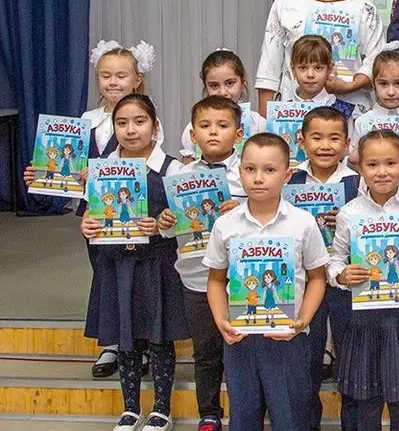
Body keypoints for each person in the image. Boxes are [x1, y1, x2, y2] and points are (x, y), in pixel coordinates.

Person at [22, 40, 160, 379]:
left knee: (136, 279)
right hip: (95, 213)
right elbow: (67, 166)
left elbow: (151, 166)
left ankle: (140, 342)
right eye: (106, 76)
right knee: (104, 274)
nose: (113, 83)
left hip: (130, 212)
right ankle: (112, 342)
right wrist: (42, 174)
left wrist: (104, 172)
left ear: (137, 79)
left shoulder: (145, 117)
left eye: (121, 76)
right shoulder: (87, 119)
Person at [204, 133, 329, 431]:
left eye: (269, 170)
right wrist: (222, 320)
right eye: (250, 169)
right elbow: (216, 279)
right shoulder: (225, 224)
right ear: (240, 172)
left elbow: (317, 277)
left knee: (291, 416)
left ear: (287, 175)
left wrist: (302, 321)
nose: (258, 178)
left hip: (289, 339)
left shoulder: (302, 222)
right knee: (244, 416)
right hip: (241, 340)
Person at [80, 94, 186, 431]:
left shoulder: (173, 168)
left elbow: (188, 224)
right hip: (117, 266)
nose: (130, 130)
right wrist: (87, 228)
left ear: (155, 127)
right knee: (125, 337)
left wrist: (165, 226)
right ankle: (129, 409)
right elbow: (91, 220)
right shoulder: (101, 170)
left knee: (158, 338)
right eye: (122, 123)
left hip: (157, 264)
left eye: (139, 122)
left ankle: (161, 410)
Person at [328, 130, 399, 431]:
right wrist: (341, 274)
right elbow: (335, 258)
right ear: (360, 169)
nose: (382, 172)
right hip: (364, 321)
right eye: (372, 164)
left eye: (390, 163)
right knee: (367, 401)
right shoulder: (349, 214)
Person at [159, 95, 246, 431]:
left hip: (237, 279)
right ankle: (209, 413)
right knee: (206, 351)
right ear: (192, 134)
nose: (213, 133)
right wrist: (166, 222)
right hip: (196, 277)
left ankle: (245, 411)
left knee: (241, 351)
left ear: (238, 134)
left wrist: (241, 209)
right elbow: (171, 233)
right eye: (205, 126)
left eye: (222, 126)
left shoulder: (247, 172)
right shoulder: (180, 175)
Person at [255, 0, 394, 117]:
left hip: (350, 114)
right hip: (292, 113)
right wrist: (265, 123)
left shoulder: (365, 9)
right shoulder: (286, 2)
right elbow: (269, 67)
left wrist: (351, 85)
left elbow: (376, 61)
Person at [287, 106, 361, 429]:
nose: (325, 146)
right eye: (316, 138)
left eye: (334, 138)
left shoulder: (358, 183)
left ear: (346, 144)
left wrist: (347, 219)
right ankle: (307, 421)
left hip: (346, 282)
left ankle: (354, 421)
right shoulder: (290, 180)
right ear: (302, 141)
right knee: (307, 357)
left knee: (351, 356)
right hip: (306, 283)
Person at [179, 49, 266, 162]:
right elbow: (188, 167)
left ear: (243, 81)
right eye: (214, 86)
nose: (222, 92)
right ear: (205, 86)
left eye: (230, 83)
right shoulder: (194, 127)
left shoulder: (259, 125)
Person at [349, 50, 399, 163]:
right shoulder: (363, 122)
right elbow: (353, 161)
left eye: (398, 83)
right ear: (373, 84)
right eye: (383, 84)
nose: (391, 92)